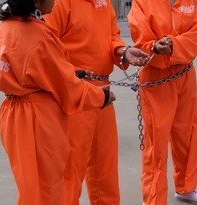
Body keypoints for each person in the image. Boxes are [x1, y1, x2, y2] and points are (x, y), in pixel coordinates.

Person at [0, 0, 117, 204]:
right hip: (38, 116)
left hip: (14, 110)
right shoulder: (37, 36)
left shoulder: (5, 28)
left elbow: (38, 68)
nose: (56, 1)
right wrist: (101, 97)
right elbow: (66, 86)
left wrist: (73, 72)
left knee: (31, 188)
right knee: (47, 189)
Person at [44, 0, 150, 204]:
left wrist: (122, 51)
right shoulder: (58, 4)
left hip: (103, 93)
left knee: (105, 167)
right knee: (69, 172)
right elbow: (47, 49)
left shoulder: (103, 2)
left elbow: (111, 36)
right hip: (73, 97)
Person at [128, 0, 197, 205]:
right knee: (156, 139)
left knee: (187, 132)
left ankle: (186, 186)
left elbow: (196, 33)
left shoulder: (189, 2)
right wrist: (154, 47)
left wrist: (174, 46)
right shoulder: (143, 2)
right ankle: (154, 199)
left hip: (185, 74)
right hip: (156, 77)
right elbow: (140, 37)